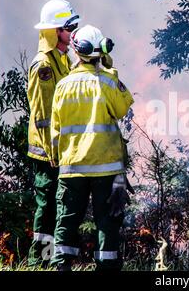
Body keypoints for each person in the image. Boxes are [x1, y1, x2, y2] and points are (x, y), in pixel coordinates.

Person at [49, 25, 134, 271]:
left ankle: (61, 266)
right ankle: (106, 268)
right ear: (102, 50)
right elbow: (122, 108)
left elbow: (55, 129)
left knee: (66, 220)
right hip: (105, 169)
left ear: (77, 51)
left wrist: (58, 159)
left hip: (72, 168)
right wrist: (109, 68)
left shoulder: (62, 86)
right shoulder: (108, 81)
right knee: (107, 223)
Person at [27, 0, 80, 267]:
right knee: (46, 206)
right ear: (55, 31)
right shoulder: (44, 66)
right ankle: (39, 261)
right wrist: (52, 151)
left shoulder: (63, 60)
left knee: (59, 205)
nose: (74, 32)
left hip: (61, 149)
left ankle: (53, 260)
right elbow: (43, 116)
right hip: (47, 153)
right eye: (70, 27)